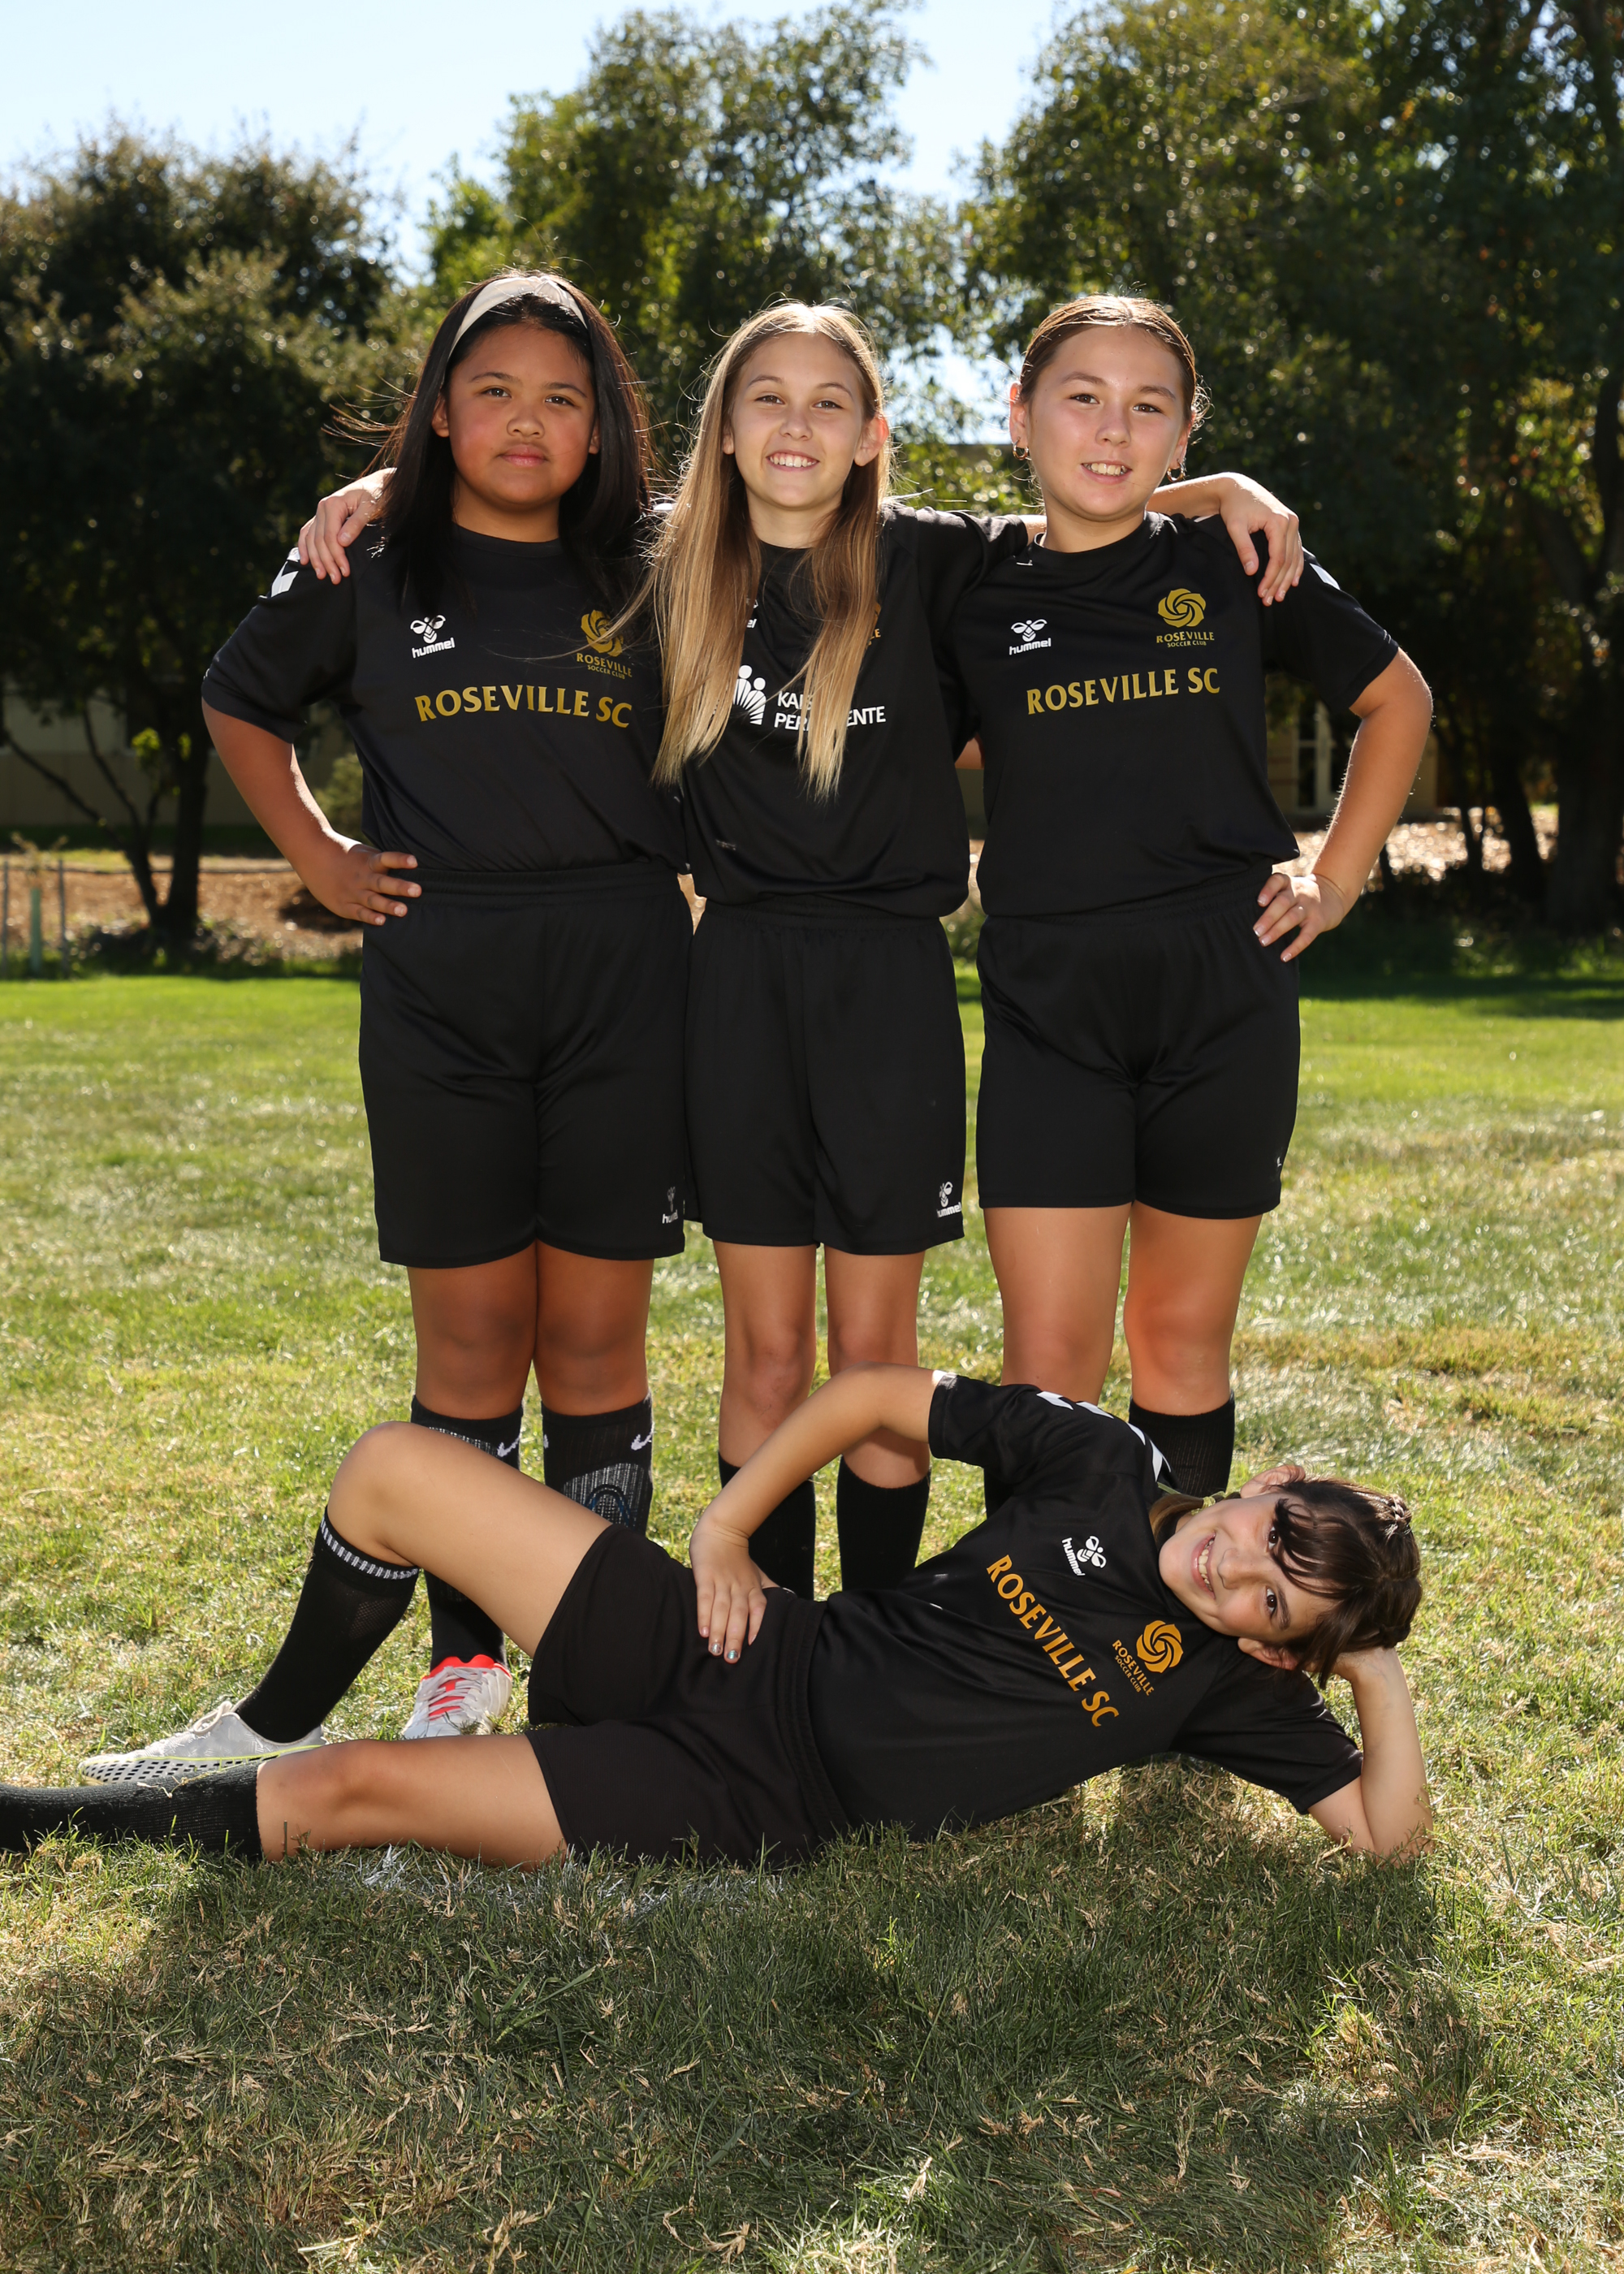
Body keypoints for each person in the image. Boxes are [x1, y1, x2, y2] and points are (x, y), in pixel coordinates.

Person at [298, 301, 1307, 1605]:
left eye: (831, 401)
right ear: (721, 431)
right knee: (766, 1354)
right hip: (739, 986)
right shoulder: (665, 563)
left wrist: (1219, 488)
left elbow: (1088, 506)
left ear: (874, 434)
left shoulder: (933, 560)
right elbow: (523, 489)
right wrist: (394, 485)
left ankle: (875, 1634)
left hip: (892, 986)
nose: (797, 424)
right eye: (766, 397)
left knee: (876, 1356)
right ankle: (766, 1645)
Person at [84, 271, 693, 1773]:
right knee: (473, 1349)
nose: (527, 422)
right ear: (437, 412)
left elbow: (838, 521)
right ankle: (462, 1672)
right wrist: (317, 858)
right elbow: (241, 700)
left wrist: (1217, 488)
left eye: (562, 396)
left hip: (625, 979)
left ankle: (593, 1691)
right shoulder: (370, 561)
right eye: (492, 392)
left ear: (604, 425)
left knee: (595, 1349)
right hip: (442, 984)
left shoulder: (660, 566)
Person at [0, 1365, 1431, 1868]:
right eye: (1269, 1539)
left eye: (1273, 1604)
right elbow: (872, 1396)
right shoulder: (1102, 1462)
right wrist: (727, 1528)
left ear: (1274, 1646)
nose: (1237, 1574)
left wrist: (1372, 1677)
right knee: (392, 1469)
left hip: (749, 1793)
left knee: (346, 1795)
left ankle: (32, 1824)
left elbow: (1384, 1838)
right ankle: (260, 1717)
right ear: (1272, 1482)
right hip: (741, 1638)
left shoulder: (1223, 1685)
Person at [951, 296, 1435, 1500]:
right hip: (1051, 1001)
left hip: (1224, 992)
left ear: (1183, 431)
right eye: (1082, 398)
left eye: (1149, 406)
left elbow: (1399, 701)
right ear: (1019, 414)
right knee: (1048, 1363)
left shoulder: (1233, 561)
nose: (1113, 429)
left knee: (1177, 1341)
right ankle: (1043, 1605)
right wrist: (1214, 484)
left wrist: (1333, 877)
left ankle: (1168, 1602)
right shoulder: (968, 584)